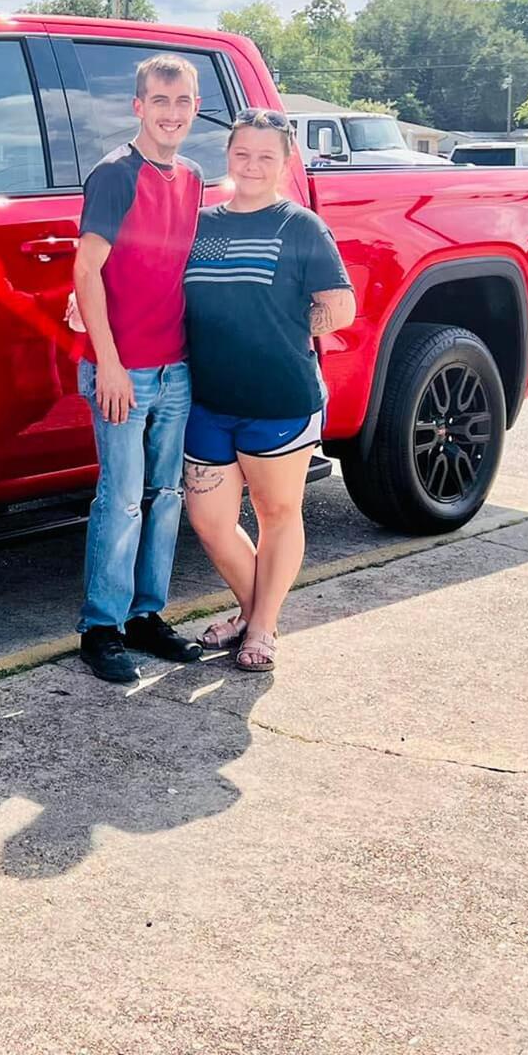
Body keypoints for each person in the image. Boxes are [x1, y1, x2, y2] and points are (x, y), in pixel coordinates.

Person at [182, 109, 356, 673]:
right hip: (208, 401)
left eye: (266, 157)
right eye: (242, 154)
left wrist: (285, 329)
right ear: (227, 157)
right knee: (210, 521)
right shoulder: (200, 224)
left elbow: (342, 307)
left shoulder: (299, 226)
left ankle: (258, 627)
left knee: (276, 512)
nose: (252, 166)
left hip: (280, 400)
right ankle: (257, 612)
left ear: (284, 164)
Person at [71, 53, 208, 683]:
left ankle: (146, 618)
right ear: (138, 107)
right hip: (123, 371)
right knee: (122, 499)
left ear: (195, 107)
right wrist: (110, 365)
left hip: (174, 368)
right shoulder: (115, 175)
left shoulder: (193, 177)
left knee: (166, 496)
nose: (171, 114)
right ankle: (101, 627)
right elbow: (86, 269)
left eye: (182, 103)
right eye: (160, 102)